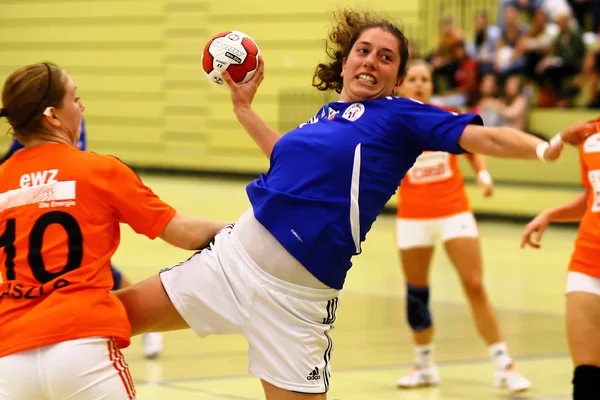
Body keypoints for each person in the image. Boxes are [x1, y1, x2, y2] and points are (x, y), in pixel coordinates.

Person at [116, 9, 580, 400]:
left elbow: (486, 135)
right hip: (229, 265)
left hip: (297, 305)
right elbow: (284, 158)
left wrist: (544, 147)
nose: (371, 61)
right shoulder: (323, 117)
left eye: (386, 57)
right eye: (364, 51)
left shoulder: (401, 116)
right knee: (105, 320)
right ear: (344, 62)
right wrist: (243, 111)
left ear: (397, 78)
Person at [0, 62, 227, 399]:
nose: (82, 106)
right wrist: (247, 230)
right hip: (82, 347)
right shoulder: (100, 170)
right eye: (75, 98)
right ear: (52, 115)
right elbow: (183, 233)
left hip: (10, 357)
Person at [394, 60, 531, 392]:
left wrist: (482, 173)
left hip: (454, 211)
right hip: (413, 218)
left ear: (431, 85)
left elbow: (473, 146)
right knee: (417, 294)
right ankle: (424, 364)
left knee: (474, 284)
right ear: (400, 84)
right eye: (412, 78)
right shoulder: (392, 121)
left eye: (425, 79)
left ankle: (504, 365)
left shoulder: (445, 115)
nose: (419, 84)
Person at [0, 117, 164, 359]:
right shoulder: (26, 132)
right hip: (35, 214)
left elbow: (70, 156)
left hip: (64, 205)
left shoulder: (67, 127)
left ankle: (149, 328)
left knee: (103, 274)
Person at [522, 118, 600, 399]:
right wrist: (550, 215)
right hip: (588, 262)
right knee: (587, 377)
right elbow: (592, 197)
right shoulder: (591, 135)